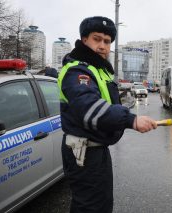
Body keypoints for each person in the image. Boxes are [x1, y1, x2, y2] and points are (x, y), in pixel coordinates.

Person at [58, 16, 157, 213]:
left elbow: (108, 101)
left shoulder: (98, 70)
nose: (102, 45)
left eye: (107, 41)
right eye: (97, 39)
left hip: (96, 149)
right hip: (83, 153)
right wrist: (132, 120)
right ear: (84, 40)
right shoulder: (78, 71)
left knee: (100, 204)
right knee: (90, 207)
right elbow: (90, 108)